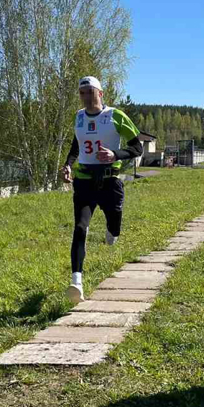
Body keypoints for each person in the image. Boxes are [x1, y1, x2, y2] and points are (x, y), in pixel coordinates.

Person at [62, 77, 143, 304]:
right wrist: (68, 164)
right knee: (80, 228)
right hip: (85, 180)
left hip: (110, 181)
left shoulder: (115, 116)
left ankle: (112, 232)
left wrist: (115, 155)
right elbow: (76, 145)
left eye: (90, 92)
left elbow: (137, 147)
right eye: (82, 93)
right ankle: (76, 281)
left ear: (101, 93)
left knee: (114, 224)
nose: (86, 97)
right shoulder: (79, 117)